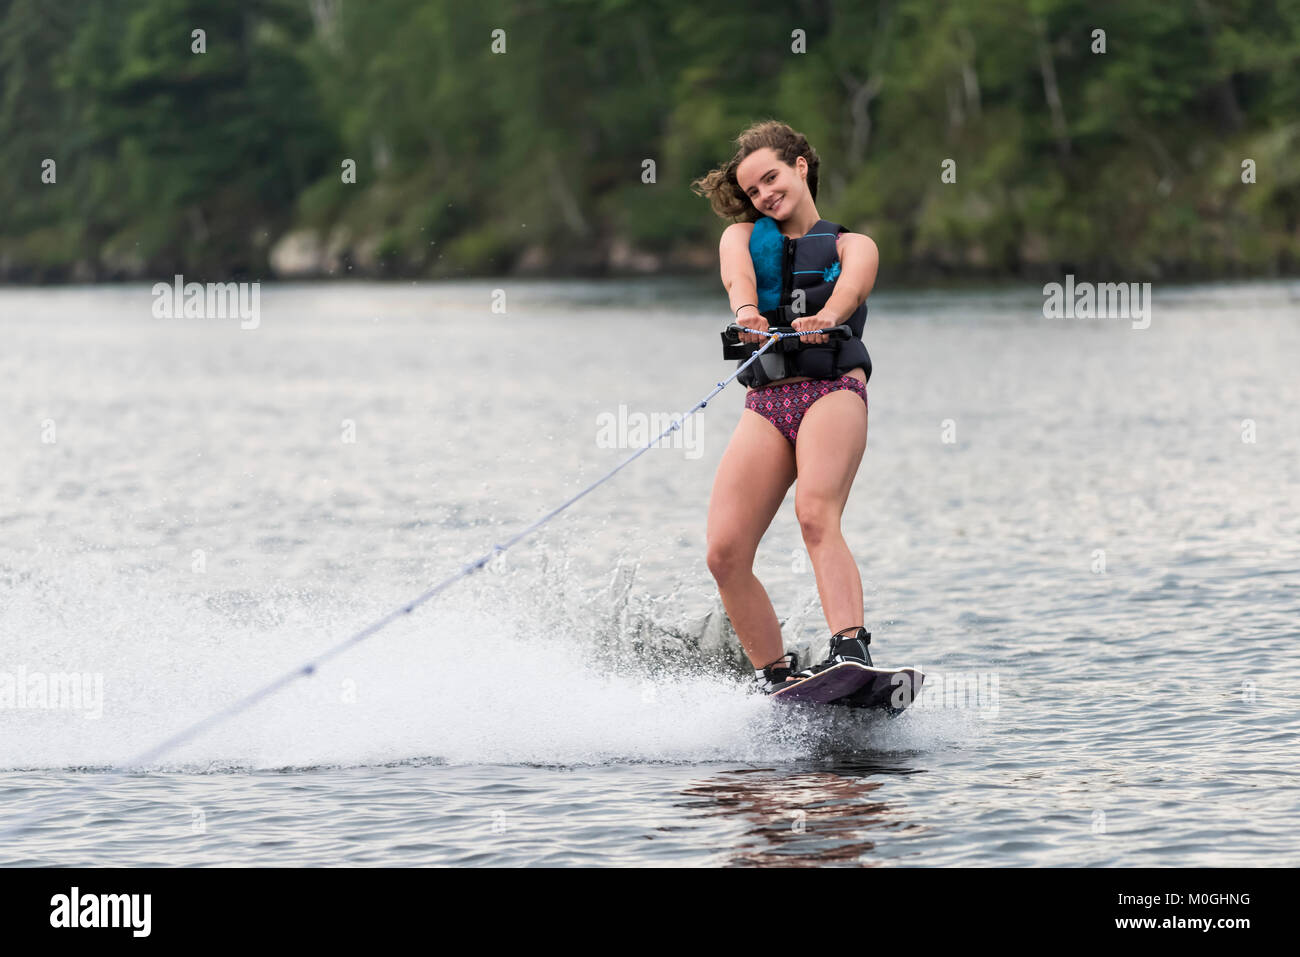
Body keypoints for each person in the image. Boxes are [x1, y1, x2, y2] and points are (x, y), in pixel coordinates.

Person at [690, 120, 880, 695]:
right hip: (767, 402)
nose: (765, 194)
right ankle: (776, 676)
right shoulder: (742, 239)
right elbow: (737, 278)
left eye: (771, 177)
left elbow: (850, 290)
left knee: (815, 514)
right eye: (753, 190)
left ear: (800, 165)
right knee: (723, 554)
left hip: (832, 394)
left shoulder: (854, 246)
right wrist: (748, 313)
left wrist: (827, 317)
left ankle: (849, 646)